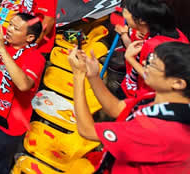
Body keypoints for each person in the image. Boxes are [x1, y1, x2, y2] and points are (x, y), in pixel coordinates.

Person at [69, 41, 190, 172]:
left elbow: (87, 130)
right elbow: (116, 108)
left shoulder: (161, 130)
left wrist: (78, 75)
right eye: (149, 58)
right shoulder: (161, 100)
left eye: (152, 64)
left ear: (178, 83)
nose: (144, 64)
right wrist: (93, 76)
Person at [0, 13, 45, 174]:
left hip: (8, 122)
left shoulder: (35, 58)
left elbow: (23, 84)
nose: (9, 29)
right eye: (9, 24)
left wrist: (2, 48)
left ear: (29, 38)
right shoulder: (8, 38)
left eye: (15, 28)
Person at [118, 0, 188, 99]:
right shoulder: (170, 31)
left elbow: (151, 76)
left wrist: (130, 58)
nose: (123, 12)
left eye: (127, 11)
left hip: (140, 95)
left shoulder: (153, 46)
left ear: (142, 20)